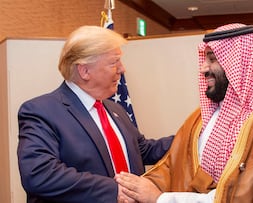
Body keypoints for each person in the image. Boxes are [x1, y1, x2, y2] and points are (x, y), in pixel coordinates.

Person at [115, 23, 253, 203]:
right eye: (205, 59)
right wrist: (137, 188)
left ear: (237, 63)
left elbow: (247, 197)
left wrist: (160, 198)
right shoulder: (200, 118)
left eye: (212, 59)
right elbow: (172, 166)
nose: (203, 68)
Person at [17, 25, 173, 203]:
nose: (122, 69)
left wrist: (194, 134)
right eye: (114, 62)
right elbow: (39, 173)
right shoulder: (41, 111)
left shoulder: (115, 109)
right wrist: (114, 190)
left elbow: (144, 150)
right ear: (84, 71)